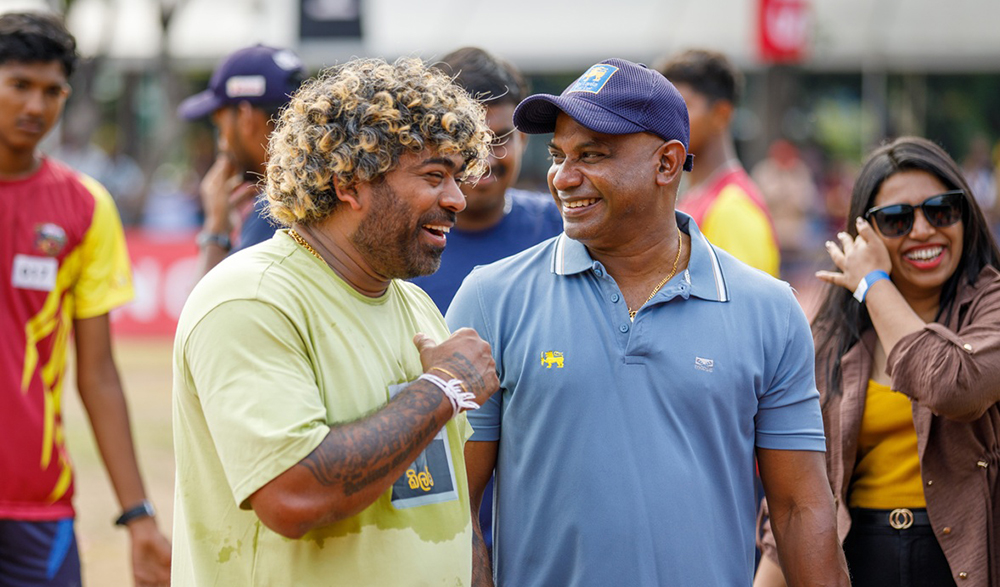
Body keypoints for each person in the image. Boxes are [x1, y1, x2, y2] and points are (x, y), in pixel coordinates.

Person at [448, 58, 849, 587]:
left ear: (667, 164)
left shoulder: (769, 310)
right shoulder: (491, 297)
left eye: (592, 155)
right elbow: (452, 509)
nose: (563, 178)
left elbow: (800, 510)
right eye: (558, 155)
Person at [171, 57, 500, 586]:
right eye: (434, 175)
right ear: (350, 183)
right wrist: (442, 388)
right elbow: (292, 495)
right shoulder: (251, 299)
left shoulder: (414, 306)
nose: (457, 199)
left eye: (458, 177)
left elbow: (450, 505)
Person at [756, 137, 1000, 587]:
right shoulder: (834, 335)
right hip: (856, 559)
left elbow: (954, 387)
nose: (923, 230)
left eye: (941, 210)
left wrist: (872, 284)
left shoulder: (990, 307)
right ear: (864, 233)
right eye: (896, 219)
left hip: (965, 559)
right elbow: (799, 492)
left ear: (966, 216)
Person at [0, 12, 171, 587]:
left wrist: (138, 515)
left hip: (38, 503)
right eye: (19, 84)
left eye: (53, 91)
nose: (36, 107)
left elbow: (97, 374)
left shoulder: (84, 207)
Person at [411, 47, 562, 313]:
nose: (486, 160)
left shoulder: (565, 229)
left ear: (523, 140)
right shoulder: (401, 244)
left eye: (500, 139)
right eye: (466, 141)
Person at [177, 44, 306, 276]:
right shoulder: (318, 191)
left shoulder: (276, 212)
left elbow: (210, 311)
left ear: (245, 118)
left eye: (220, 124)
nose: (222, 144)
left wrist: (215, 232)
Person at [658, 49, 779, 277]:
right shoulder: (693, 197)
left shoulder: (732, 208)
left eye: (682, 107)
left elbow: (745, 308)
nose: (666, 120)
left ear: (721, 114)